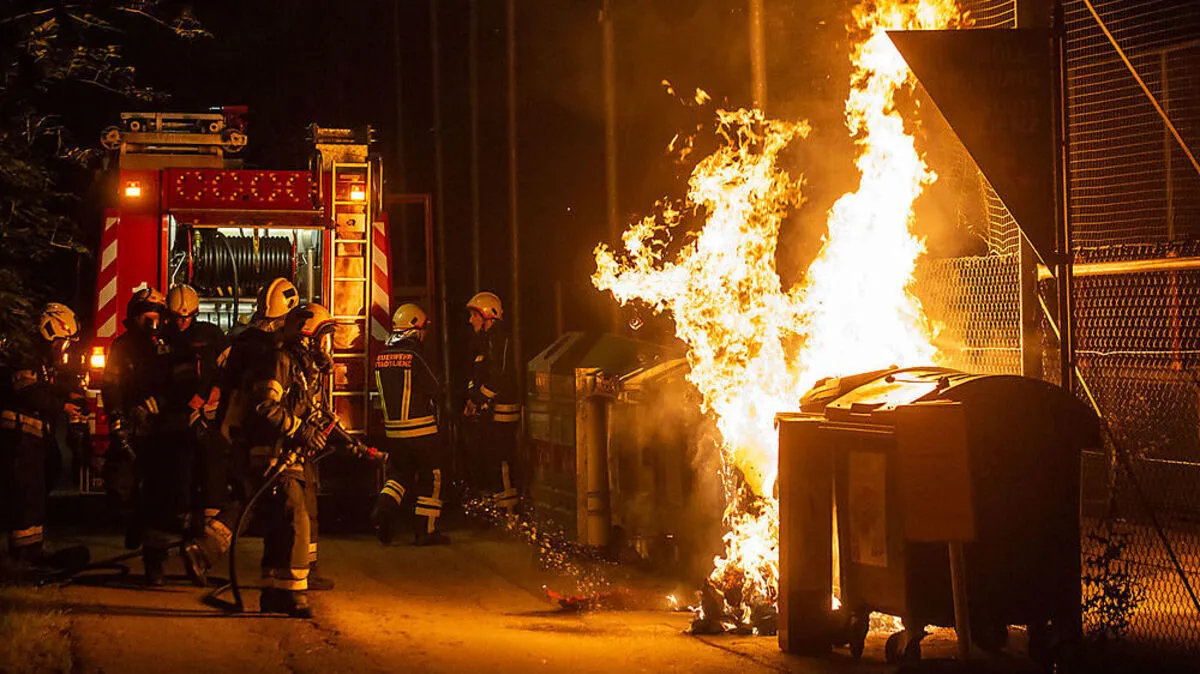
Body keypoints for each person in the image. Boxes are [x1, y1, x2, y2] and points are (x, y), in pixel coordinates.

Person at [181, 277, 298, 585]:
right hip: (260, 434)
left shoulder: (240, 343)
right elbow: (265, 399)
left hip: (232, 431)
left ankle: (205, 549)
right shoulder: (271, 351)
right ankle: (205, 550)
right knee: (259, 498)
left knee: (250, 495)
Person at [245, 303, 338, 618]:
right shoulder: (281, 362)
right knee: (296, 519)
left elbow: (314, 414)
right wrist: (301, 431)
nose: (328, 348)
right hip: (275, 454)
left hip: (291, 454)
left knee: (279, 525)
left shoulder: (305, 369)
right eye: (324, 339)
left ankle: (272, 591)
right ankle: (295, 595)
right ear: (307, 336)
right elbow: (265, 406)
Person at [0, 303, 90, 575]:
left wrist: (69, 395)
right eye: (63, 342)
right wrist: (62, 406)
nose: (64, 348)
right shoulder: (26, 356)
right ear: (51, 333)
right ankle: (22, 554)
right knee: (26, 493)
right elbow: (30, 392)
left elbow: (46, 386)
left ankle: (32, 548)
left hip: (31, 438)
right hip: (18, 437)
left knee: (37, 490)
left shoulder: (38, 359)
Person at [101, 288, 178, 585]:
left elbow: (178, 385)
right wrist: (117, 418)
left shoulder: (169, 346)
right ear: (135, 317)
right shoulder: (121, 347)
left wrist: (156, 405)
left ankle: (154, 564)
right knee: (119, 484)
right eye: (148, 316)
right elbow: (111, 385)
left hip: (161, 430)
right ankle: (132, 523)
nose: (153, 322)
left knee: (157, 497)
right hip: (132, 428)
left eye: (158, 316)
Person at [372, 303, 448, 546]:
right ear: (415, 328)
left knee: (398, 475)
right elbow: (435, 386)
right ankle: (426, 530)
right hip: (422, 430)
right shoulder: (416, 354)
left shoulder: (382, 356)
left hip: (394, 432)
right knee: (432, 476)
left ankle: (383, 509)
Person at [163, 285, 226, 565]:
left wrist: (216, 391)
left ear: (196, 314)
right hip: (178, 423)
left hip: (210, 422)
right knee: (180, 480)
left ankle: (204, 547)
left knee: (212, 479)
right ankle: (183, 540)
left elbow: (227, 369)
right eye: (177, 317)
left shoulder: (211, 336)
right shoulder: (164, 341)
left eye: (187, 318)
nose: (182, 322)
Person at [463, 291, 521, 516]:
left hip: (503, 410)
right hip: (490, 409)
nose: (470, 321)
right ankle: (500, 509)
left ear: (487, 314)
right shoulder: (485, 341)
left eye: (474, 316)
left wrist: (480, 397)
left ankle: (510, 514)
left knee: (502, 457)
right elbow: (480, 374)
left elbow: (501, 376)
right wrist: (472, 398)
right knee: (492, 457)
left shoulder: (499, 340)